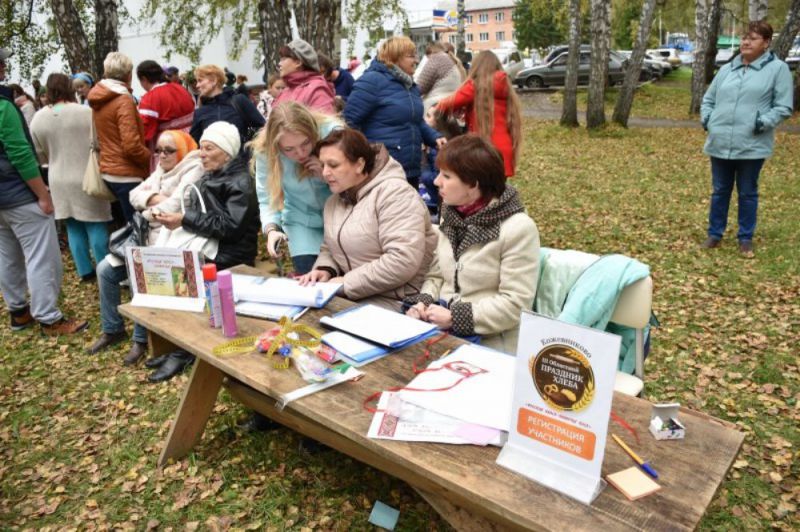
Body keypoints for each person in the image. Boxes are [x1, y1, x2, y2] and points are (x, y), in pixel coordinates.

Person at [405, 135, 538, 354]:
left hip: (492, 344)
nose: (437, 182)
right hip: (440, 335)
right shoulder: (452, 214)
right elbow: (438, 274)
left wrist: (455, 317)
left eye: (446, 176)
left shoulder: (518, 228)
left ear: (473, 184)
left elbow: (515, 304)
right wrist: (423, 304)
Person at [149, 121, 259, 381]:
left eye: (209, 148)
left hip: (230, 255)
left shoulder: (241, 182)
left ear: (226, 151)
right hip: (211, 246)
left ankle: (185, 351)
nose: (202, 153)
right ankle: (181, 346)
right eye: (201, 148)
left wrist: (184, 220)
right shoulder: (213, 173)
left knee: (186, 279)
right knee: (170, 275)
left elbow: (231, 226)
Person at [89, 130, 205, 364]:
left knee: (138, 271)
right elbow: (133, 194)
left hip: (173, 239)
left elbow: (173, 205)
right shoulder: (162, 169)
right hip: (145, 235)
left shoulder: (194, 167)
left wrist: (149, 203)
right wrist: (158, 201)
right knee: (104, 270)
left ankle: (141, 339)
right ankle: (113, 329)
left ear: (182, 150)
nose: (162, 155)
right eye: (159, 149)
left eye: (169, 150)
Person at [298, 128, 436, 311]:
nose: (324, 173)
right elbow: (329, 247)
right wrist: (325, 270)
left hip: (403, 302)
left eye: (333, 165)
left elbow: (401, 260)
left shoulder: (396, 194)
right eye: (323, 165)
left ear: (359, 164)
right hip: (359, 297)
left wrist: (345, 283)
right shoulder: (334, 201)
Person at [0, 80, 88, 335]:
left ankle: (18, 312)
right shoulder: (4, 107)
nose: (4, 69)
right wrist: (42, 194)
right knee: (42, 256)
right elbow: (19, 153)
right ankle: (49, 318)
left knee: (7, 255)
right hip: (19, 194)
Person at [700, 21, 793, 257]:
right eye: (744, 38)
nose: (745, 42)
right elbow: (708, 100)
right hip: (720, 141)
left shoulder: (778, 69)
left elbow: (783, 107)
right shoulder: (727, 69)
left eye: (752, 38)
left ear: (766, 43)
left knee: (748, 192)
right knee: (720, 190)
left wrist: (760, 123)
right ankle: (714, 234)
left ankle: (745, 238)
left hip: (752, 143)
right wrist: (708, 120)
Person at [30, 73, 112, 283]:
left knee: (73, 225)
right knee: (96, 222)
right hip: (87, 174)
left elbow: (39, 153)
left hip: (58, 176)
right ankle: (105, 268)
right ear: (69, 87)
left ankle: (85, 271)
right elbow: (99, 141)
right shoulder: (86, 112)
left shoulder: (39, 117)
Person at [344, 36, 445, 189]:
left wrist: (435, 137)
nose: (416, 60)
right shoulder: (372, 81)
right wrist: (362, 156)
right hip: (383, 170)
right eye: (411, 56)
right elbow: (349, 122)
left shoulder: (410, 85)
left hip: (410, 168)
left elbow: (415, 121)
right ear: (394, 57)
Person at [252, 101, 340, 275]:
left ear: (313, 132)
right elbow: (267, 197)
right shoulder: (265, 152)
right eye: (289, 149)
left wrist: (326, 175)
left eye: (306, 143)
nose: (300, 153)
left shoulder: (333, 132)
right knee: (308, 275)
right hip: (301, 220)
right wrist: (271, 229)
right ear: (276, 146)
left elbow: (356, 181)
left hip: (342, 217)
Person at [436, 51, 522, 178]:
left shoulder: (478, 85)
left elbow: (445, 105)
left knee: (484, 194)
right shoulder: (504, 85)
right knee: (498, 193)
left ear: (477, 67)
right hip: (504, 147)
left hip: (486, 150)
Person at [87, 52, 151, 223]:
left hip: (109, 170)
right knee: (138, 231)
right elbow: (131, 145)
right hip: (127, 173)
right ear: (128, 74)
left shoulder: (100, 97)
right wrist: (149, 158)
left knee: (126, 227)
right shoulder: (123, 100)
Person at [136, 60, 196, 171]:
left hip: (168, 148)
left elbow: (145, 130)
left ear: (144, 79)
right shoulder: (181, 89)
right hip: (190, 142)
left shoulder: (150, 98)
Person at [189, 64, 265, 148]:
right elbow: (194, 145)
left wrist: (249, 148)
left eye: (200, 81)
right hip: (213, 160)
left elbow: (263, 128)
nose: (197, 85)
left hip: (243, 160)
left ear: (214, 80)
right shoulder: (200, 112)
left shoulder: (239, 101)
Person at [273, 39, 336, 114]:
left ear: (298, 62)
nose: (279, 63)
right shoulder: (287, 90)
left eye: (284, 59)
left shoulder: (317, 89)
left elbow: (326, 123)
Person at [416, 41, 465, 111]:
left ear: (431, 51)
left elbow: (419, 88)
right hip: (452, 107)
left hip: (436, 109)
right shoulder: (457, 65)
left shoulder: (438, 59)